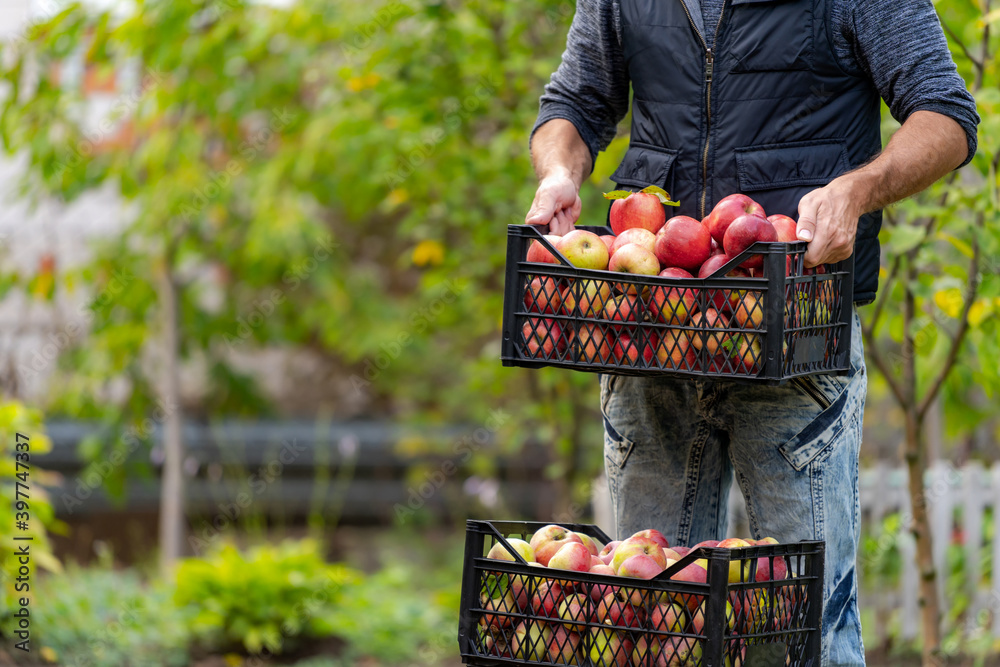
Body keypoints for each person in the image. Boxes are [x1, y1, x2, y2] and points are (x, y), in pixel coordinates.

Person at [525, 1, 979, 665]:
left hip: (794, 336)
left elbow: (945, 115)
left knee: (801, 632)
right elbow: (575, 99)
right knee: (651, 627)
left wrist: (856, 191)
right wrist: (560, 170)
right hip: (651, 333)